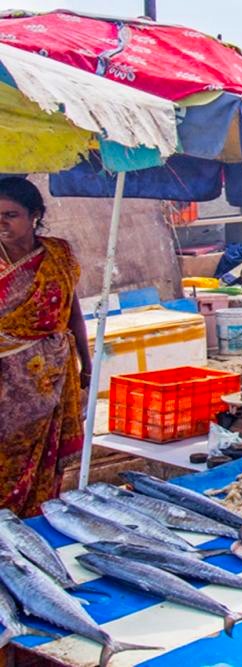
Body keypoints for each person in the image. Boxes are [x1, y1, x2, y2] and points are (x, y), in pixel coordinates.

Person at [0, 177, 90, 515]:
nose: (2, 224)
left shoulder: (57, 253)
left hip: (52, 374)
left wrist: (87, 359)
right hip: (7, 383)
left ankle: (34, 522)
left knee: (46, 460)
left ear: (35, 215)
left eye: (11, 215)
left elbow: (72, 311)